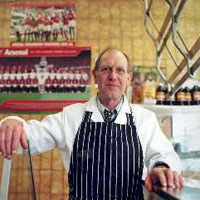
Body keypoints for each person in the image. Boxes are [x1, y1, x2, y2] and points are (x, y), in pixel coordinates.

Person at [0, 47, 183, 199]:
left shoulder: (145, 118)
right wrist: (11, 122)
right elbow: (29, 138)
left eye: (120, 70)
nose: (113, 76)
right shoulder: (71, 115)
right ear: (95, 76)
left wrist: (161, 167)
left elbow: (166, 155)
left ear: (128, 77)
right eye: (106, 69)